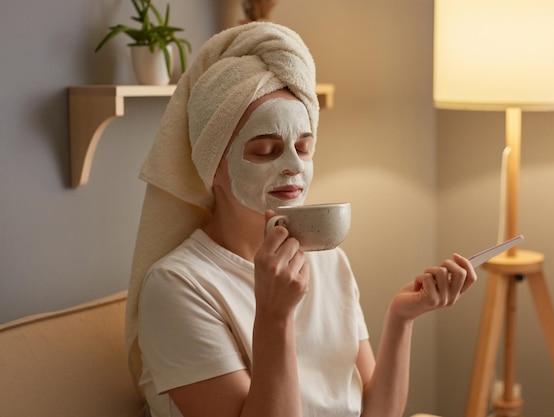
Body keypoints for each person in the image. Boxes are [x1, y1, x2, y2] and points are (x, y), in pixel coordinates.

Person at [126, 22, 477, 417]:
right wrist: (275, 315)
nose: (293, 166)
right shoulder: (178, 287)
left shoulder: (327, 258)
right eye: (264, 150)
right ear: (213, 168)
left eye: (304, 147)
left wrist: (401, 318)